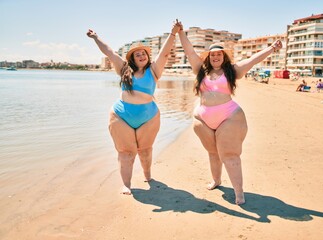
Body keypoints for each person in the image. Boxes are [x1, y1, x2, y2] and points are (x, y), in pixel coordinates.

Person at [176, 21, 282, 205]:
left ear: (223, 57)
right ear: (208, 57)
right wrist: (180, 33)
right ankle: (216, 180)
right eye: (212, 55)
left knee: (230, 155)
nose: (215, 57)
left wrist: (272, 48)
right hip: (204, 118)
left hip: (229, 116)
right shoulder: (200, 70)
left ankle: (239, 192)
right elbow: (190, 52)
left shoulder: (232, 71)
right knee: (212, 153)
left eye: (219, 54)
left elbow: (253, 60)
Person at [86, 21, 180, 195]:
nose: (141, 56)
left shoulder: (154, 70)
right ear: (132, 58)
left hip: (149, 116)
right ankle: (126, 185)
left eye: (143, 53)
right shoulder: (123, 69)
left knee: (145, 151)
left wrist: (173, 33)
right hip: (121, 116)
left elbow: (165, 53)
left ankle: (148, 175)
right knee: (126, 153)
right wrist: (95, 38)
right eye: (137, 54)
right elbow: (109, 52)